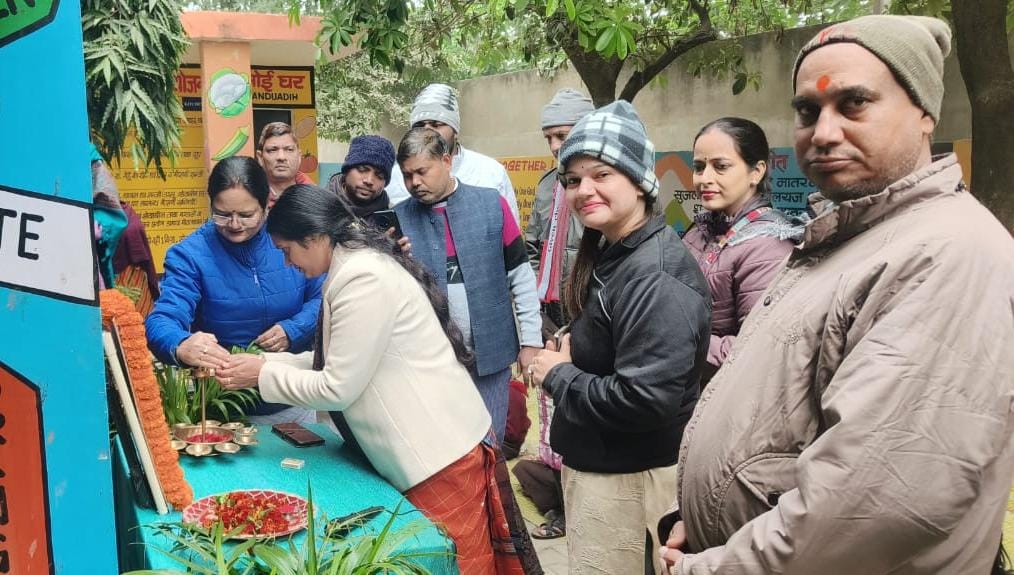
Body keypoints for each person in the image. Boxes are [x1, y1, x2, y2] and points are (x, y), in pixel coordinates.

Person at [659, 15, 1014, 575]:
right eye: (807, 110)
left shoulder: (947, 254)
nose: (822, 132)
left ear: (925, 113)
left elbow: (874, 508)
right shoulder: (846, 240)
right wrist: (702, 523)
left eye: (854, 104)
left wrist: (709, 567)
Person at [216, 185, 541, 574]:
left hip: (439, 456)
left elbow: (337, 386)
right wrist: (269, 361)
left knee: (453, 564)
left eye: (287, 251)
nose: (288, 263)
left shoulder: (362, 277)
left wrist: (262, 374)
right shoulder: (355, 265)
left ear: (316, 237)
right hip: (436, 448)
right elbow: (341, 360)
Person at [528, 101, 711, 575]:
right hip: (605, 468)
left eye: (602, 174)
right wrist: (578, 342)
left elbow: (645, 398)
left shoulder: (655, 275)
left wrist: (560, 375)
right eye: (572, 180)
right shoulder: (614, 252)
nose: (583, 190)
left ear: (639, 180)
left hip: (632, 480)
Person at [145, 156, 323, 425]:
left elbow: (324, 296)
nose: (235, 224)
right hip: (227, 409)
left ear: (266, 206)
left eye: (246, 215)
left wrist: (294, 328)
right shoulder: (190, 255)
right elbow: (163, 319)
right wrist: (181, 344)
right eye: (223, 214)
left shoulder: (291, 239)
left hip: (295, 395)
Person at [394, 127, 543, 442]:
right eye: (407, 175)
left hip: (492, 353)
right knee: (440, 447)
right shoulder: (399, 220)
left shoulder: (491, 205)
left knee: (490, 444)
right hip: (431, 362)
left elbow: (521, 276)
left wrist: (530, 341)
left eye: (422, 171)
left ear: (446, 161)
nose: (414, 183)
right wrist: (392, 257)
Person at [514, 88, 595, 541]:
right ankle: (563, 506)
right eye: (548, 136)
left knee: (582, 415)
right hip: (550, 314)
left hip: (587, 317)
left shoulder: (603, 184)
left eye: (562, 135)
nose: (553, 146)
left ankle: (581, 510)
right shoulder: (549, 185)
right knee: (552, 419)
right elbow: (532, 244)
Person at [684, 117, 800, 385]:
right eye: (699, 167)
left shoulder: (769, 246)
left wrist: (675, 343)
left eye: (721, 167)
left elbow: (756, 350)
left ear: (756, 172)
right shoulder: (702, 228)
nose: (705, 179)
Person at [386, 83, 521, 221]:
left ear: (455, 130)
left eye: (436, 124)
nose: (428, 131)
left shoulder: (490, 173)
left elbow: (511, 231)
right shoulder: (394, 179)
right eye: (419, 126)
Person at [325, 135, 397, 227]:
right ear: (347, 170)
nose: (369, 180)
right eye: (362, 169)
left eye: (379, 175)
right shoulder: (317, 207)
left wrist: (387, 241)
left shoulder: (392, 217)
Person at [256, 122, 313, 209]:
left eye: (289, 150)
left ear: (299, 157)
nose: (281, 157)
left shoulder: (316, 199)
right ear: (260, 157)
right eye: (272, 150)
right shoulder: (247, 198)